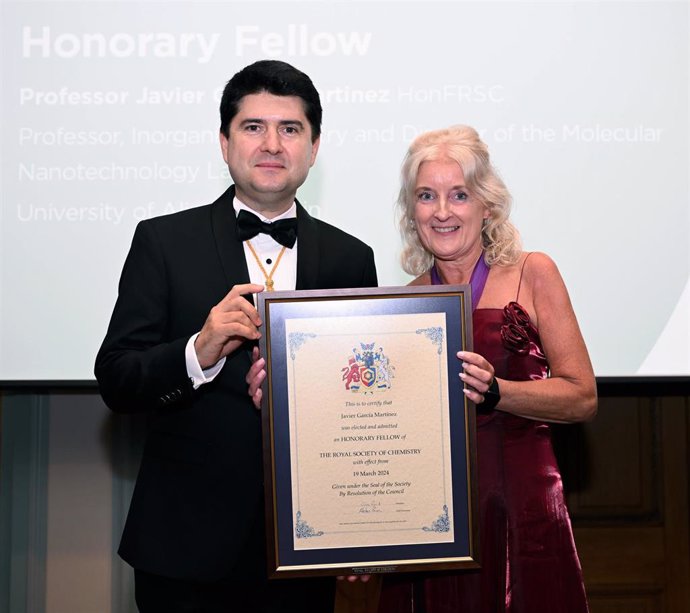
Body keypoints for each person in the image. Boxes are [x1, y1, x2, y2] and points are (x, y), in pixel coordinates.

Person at [95, 60, 378, 613]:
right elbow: (117, 381)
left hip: (303, 549)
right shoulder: (163, 242)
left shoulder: (351, 257)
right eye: (253, 127)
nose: (272, 144)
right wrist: (198, 352)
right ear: (224, 143)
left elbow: (361, 408)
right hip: (183, 549)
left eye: (290, 129)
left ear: (314, 148)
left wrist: (359, 528)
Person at [376, 125, 597, 613]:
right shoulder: (403, 301)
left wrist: (499, 392)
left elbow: (582, 396)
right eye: (426, 196)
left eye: (459, 195)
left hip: (522, 510)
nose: (442, 211)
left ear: (487, 205)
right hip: (430, 522)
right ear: (412, 213)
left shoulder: (532, 272)